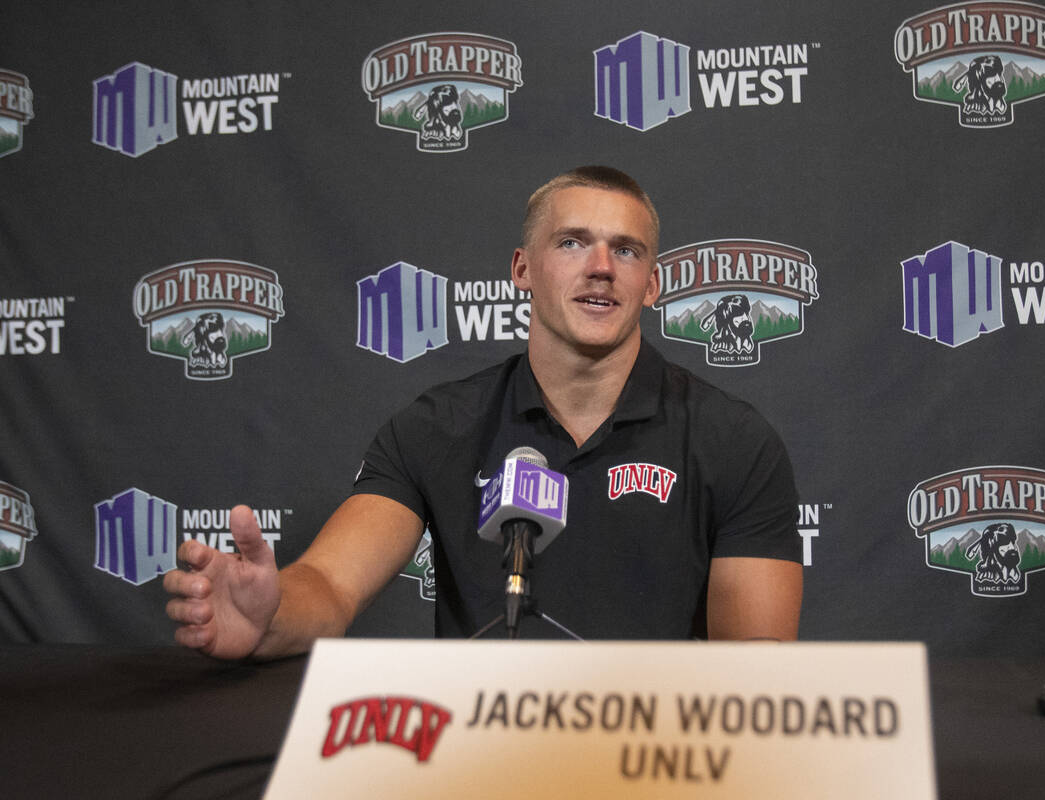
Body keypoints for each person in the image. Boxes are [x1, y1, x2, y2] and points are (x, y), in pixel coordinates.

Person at [164, 166, 804, 659]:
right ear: (523, 269)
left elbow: (755, 677)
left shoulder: (733, 441)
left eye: (627, 251)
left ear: (653, 283)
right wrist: (269, 619)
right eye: (574, 242)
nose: (602, 268)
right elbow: (329, 585)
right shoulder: (437, 428)